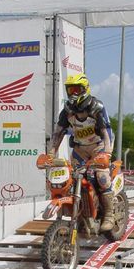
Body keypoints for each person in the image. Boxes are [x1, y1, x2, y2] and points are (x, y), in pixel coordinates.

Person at [48, 73, 115, 231]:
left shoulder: (96, 107)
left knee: (102, 177)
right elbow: (58, 133)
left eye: (77, 89)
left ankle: (109, 215)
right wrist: (51, 154)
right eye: (70, 90)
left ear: (85, 89)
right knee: (71, 178)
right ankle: (81, 214)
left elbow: (106, 132)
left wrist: (107, 153)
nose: (73, 94)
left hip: (98, 146)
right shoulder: (67, 111)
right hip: (80, 149)